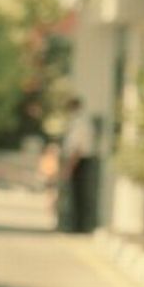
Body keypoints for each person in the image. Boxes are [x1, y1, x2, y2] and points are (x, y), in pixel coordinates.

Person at [58, 96, 97, 233]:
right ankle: (76, 225)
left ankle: (78, 226)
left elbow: (77, 149)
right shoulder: (79, 121)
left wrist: (69, 167)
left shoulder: (80, 122)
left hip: (79, 161)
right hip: (77, 161)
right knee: (77, 195)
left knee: (78, 196)